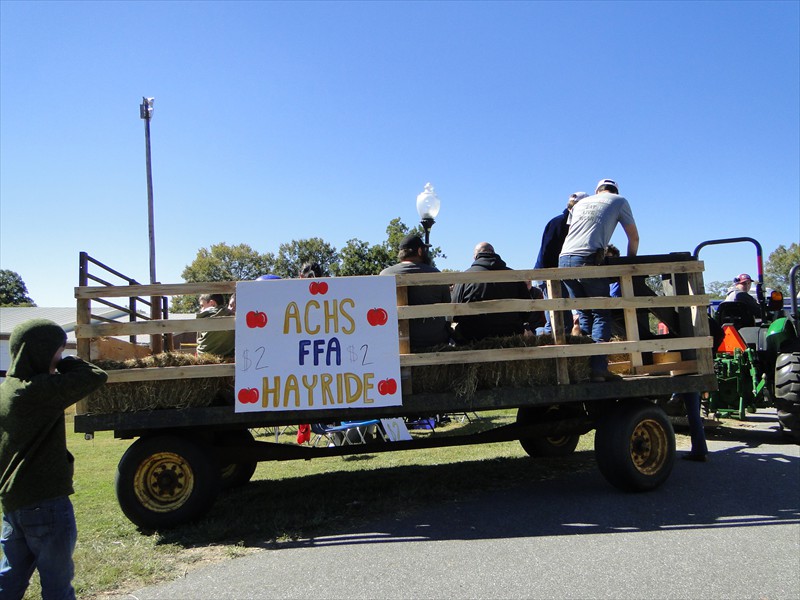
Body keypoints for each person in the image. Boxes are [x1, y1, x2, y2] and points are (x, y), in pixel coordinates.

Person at [0, 319, 108, 599]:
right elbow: (95, 375)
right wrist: (66, 361)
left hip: (14, 503)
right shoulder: (38, 391)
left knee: (9, 579)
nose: (59, 358)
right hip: (46, 503)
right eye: (56, 351)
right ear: (40, 352)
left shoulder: (8, 389)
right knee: (57, 587)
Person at [558, 178, 639, 382]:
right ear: (614, 190)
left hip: (564, 259)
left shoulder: (580, 204)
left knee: (585, 312)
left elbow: (575, 232)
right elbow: (634, 238)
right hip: (587, 259)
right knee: (601, 314)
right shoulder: (619, 200)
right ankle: (598, 368)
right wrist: (630, 265)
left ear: (597, 191)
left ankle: (582, 368)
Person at [380, 234, 451, 350]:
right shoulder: (436, 275)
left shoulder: (385, 275)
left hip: (396, 342)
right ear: (419, 251)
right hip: (433, 342)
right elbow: (447, 305)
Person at [451, 242, 530, 342]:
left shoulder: (464, 278)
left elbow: (455, 313)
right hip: (510, 335)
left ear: (475, 257)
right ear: (494, 253)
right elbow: (527, 311)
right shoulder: (514, 276)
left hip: (473, 337)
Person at [534, 191, 588, 334]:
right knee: (557, 319)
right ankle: (550, 349)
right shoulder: (558, 223)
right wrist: (551, 275)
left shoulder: (568, 223)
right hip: (551, 274)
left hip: (558, 273)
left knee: (560, 318)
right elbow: (547, 251)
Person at [196, 293, 235, 358]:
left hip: (203, 358)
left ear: (212, 303)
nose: (201, 310)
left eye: (202, 306)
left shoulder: (203, 318)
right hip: (227, 359)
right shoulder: (232, 316)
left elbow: (198, 341)